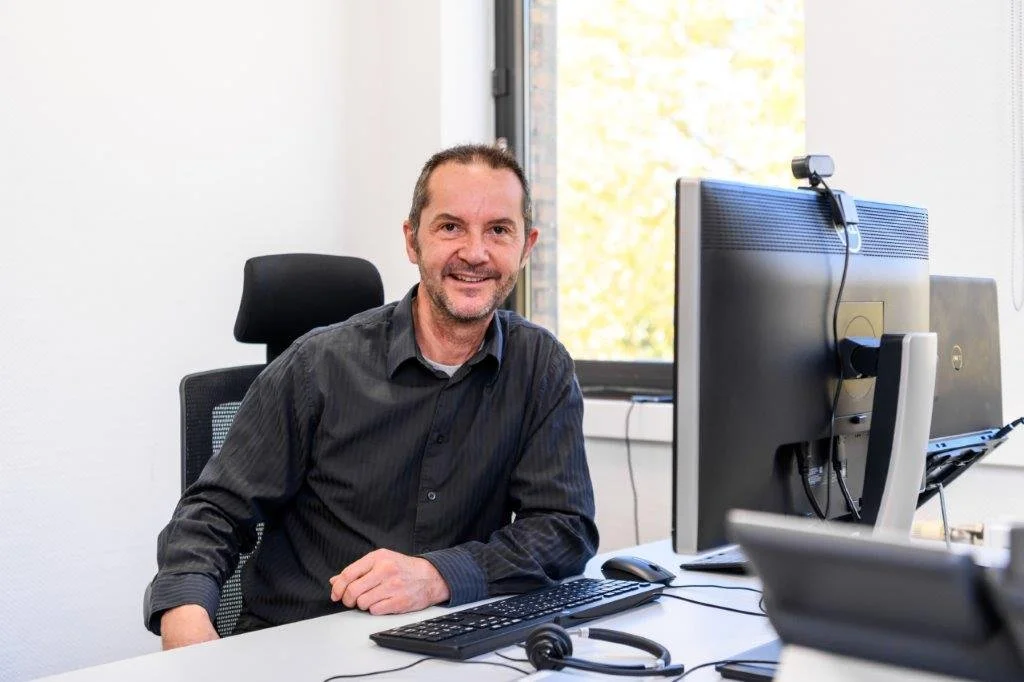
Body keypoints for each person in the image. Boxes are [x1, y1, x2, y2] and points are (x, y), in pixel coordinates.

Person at [144, 143, 599, 650]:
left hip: (446, 646)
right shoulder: (318, 364)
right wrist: (185, 624)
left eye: (498, 230)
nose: (475, 252)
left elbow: (563, 529)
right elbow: (210, 516)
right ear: (412, 240)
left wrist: (438, 575)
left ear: (526, 246)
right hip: (299, 647)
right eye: (450, 227)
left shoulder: (540, 367)